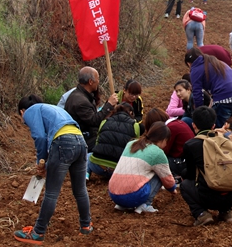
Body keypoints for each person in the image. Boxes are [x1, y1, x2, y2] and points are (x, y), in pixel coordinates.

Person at [14, 96, 92, 244]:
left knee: (51, 192)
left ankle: (38, 232)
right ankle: (86, 225)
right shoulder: (52, 109)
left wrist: (41, 162)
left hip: (63, 142)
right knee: (80, 189)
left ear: (22, 111)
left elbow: (40, 137)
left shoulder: (30, 111)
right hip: (80, 141)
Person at [180, 107, 232, 226]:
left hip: (208, 197)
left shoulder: (191, 145)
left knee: (185, 184)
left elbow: (191, 174)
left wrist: (183, 174)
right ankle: (226, 211)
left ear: (193, 125)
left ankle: (201, 214)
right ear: (213, 126)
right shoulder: (225, 140)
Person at [108, 121, 177, 214]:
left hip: (113, 194)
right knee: (159, 173)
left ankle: (122, 205)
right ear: (163, 139)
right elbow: (167, 179)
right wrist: (172, 189)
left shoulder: (131, 144)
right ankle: (145, 204)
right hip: (132, 196)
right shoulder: (157, 153)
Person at [185, 48, 232, 128]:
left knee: (217, 128)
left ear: (189, 63)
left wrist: (199, 113)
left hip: (224, 98)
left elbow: (197, 93)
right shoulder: (216, 62)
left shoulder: (196, 69)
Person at [65, 66, 117, 152]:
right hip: (81, 140)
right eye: (98, 79)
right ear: (90, 82)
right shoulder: (81, 101)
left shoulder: (81, 95)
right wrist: (109, 105)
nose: (98, 82)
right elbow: (94, 121)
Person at [88, 103, 142, 180]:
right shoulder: (135, 125)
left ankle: (86, 174)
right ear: (131, 113)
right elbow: (134, 148)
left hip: (98, 167)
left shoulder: (104, 121)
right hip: (119, 170)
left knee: (88, 155)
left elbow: (97, 142)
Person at [143, 108, 194, 177]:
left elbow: (162, 150)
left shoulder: (169, 129)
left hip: (183, 162)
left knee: (155, 161)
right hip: (188, 160)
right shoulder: (176, 123)